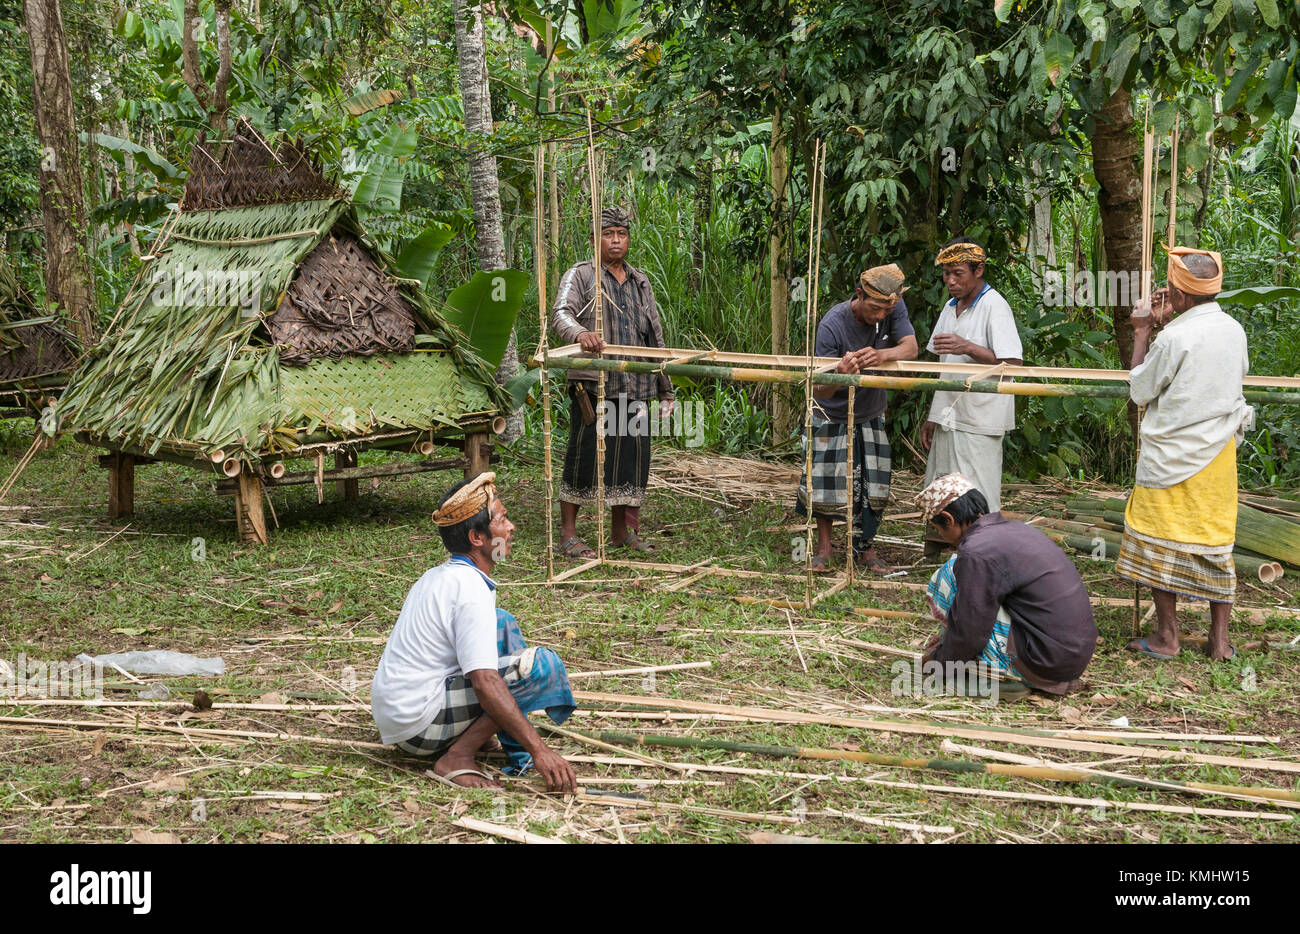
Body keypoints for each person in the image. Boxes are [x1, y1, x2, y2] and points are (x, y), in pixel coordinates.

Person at [370, 473, 578, 791]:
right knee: (540, 666)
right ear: (477, 538)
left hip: (400, 721)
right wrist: (541, 750)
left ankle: (499, 741)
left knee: (501, 621)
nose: (511, 529)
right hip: (419, 729)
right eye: (502, 520)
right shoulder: (469, 588)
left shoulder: (441, 575)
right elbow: (484, 681)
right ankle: (457, 756)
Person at [1117, 247, 1251, 662]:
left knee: (1160, 540)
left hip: (1170, 457)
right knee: (1213, 542)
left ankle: (1167, 637)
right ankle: (1219, 641)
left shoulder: (1173, 336)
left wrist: (1143, 331)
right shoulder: (1234, 330)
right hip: (1217, 456)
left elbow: (1140, 390)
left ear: (1181, 294)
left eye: (1171, 287)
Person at [551, 206, 673, 558]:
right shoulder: (582, 274)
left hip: (635, 384)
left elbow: (655, 335)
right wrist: (581, 334)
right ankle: (569, 534)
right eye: (608, 233)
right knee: (584, 455)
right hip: (593, 384)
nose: (615, 240)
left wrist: (665, 387)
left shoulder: (640, 280)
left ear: (628, 238)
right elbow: (561, 314)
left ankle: (623, 532)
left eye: (621, 233)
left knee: (630, 460)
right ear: (595, 238)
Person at [916, 473, 1097, 696]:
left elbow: (971, 629)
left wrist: (938, 661)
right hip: (1071, 657)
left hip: (1044, 661)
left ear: (949, 519)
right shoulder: (1015, 529)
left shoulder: (976, 552)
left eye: (939, 529)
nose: (942, 536)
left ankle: (1007, 677)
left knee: (948, 576)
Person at [797, 264, 919, 573]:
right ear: (859, 294)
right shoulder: (831, 326)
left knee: (873, 484)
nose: (881, 316)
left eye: (886, 310)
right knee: (823, 483)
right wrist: (841, 375)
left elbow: (911, 347)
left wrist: (883, 355)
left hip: (870, 412)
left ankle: (866, 549)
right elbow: (819, 390)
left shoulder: (893, 305)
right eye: (875, 308)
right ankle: (824, 549)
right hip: (830, 413)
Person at [922, 237, 1023, 557]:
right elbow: (945, 369)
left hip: (980, 417)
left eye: (958, 274)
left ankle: (983, 554)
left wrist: (968, 347)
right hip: (950, 414)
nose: (951, 281)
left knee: (977, 488)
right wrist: (933, 414)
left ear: (978, 270)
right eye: (947, 274)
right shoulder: (950, 307)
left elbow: (1013, 364)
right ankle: (940, 549)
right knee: (942, 482)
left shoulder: (996, 306)